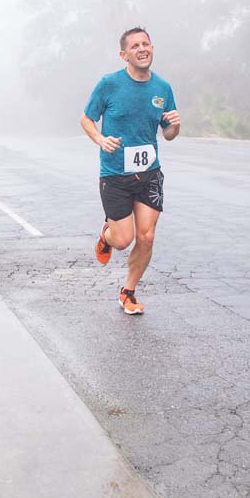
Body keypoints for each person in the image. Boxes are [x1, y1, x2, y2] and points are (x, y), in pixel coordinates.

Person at [80, 27, 180, 315]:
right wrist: (99, 138)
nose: (142, 49)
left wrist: (175, 124)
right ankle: (106, 235)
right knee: (123, 240)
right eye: (135, 46)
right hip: (114, 175)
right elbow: (86, 119)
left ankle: (129, 292)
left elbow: (169, 133)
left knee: (146, 237)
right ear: (124, 54)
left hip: (149, 173)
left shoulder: (163, 88)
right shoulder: (109, 84)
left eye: (146, 43)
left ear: (152, 48)